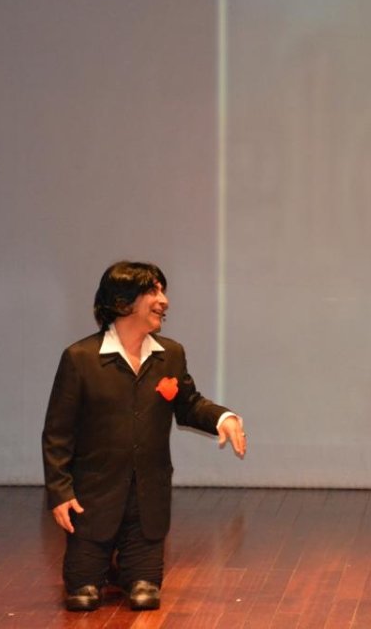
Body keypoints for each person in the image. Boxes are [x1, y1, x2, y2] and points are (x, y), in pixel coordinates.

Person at [42, 261, 247, 612]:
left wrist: (222, 418)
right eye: (152, 291)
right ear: (122, 302)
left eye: (163, 291)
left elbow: (188, 404)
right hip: (93, 500)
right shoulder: (80, 359)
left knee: (144, 595)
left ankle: (128, 569)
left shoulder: (170, 355)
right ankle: (99, 566)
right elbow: (57, 433)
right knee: (82, 596)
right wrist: (60, 492)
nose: (163, 300)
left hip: (147, 499)